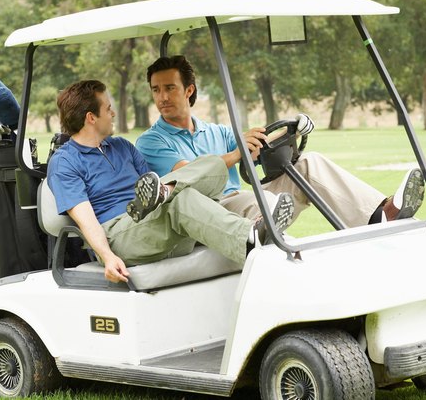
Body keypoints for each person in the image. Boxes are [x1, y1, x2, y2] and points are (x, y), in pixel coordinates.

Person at [47, 80, 295, 283]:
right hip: (119, 235)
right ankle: (251, 238)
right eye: (108, 108)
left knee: (197, 171)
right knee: (181, 199)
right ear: (91, 117)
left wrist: (163, 190)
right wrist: (108, 257)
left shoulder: (121, 147)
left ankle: (166, 192)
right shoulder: (65, 162)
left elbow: (150, 182)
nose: (113, 113)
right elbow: (86, 220)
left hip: (151, 222)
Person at [135, 55, 425, 228]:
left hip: (240, 202)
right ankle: (276, 250)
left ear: (188, 90)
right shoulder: (151, 141)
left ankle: (380, 215)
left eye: (169, 88)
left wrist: (293, 131)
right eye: (156, 90)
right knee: (261, 200)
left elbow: (260, 149)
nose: (161, 97)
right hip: (209, 211)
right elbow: (190, 175)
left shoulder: (216, 132)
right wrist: (237, 153)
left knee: (309, 164)